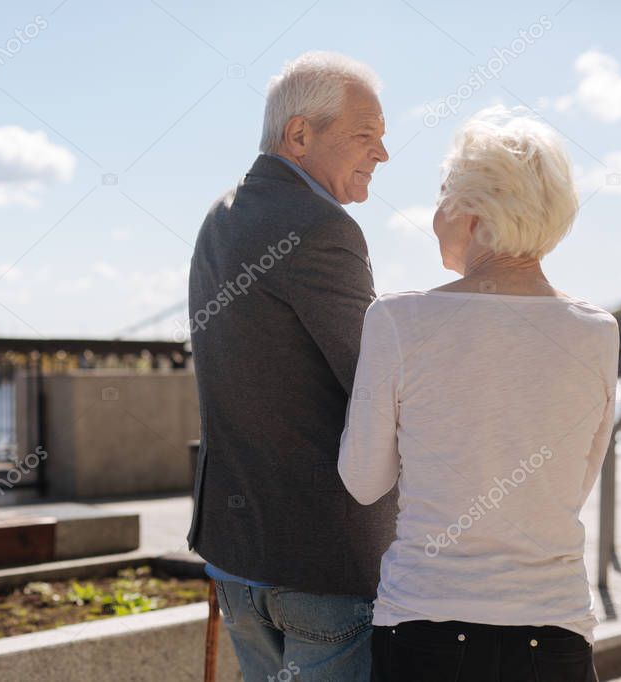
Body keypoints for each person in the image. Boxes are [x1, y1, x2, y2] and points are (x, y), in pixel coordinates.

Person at [339, 106, 618, 682]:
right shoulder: (597, 331)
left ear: (471, 211)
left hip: (426, 627)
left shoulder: (398, 319)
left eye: (444, 195)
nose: (436, 213)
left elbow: (363, 482)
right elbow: (572, 483)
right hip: (556, 629)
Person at [186, 51, 395, 681]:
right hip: (320, 562)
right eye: (366, 136)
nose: (381, 155)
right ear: (299, 134)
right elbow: (376, 383)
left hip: (236, 555)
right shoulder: (321, 226)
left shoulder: (219, 217)